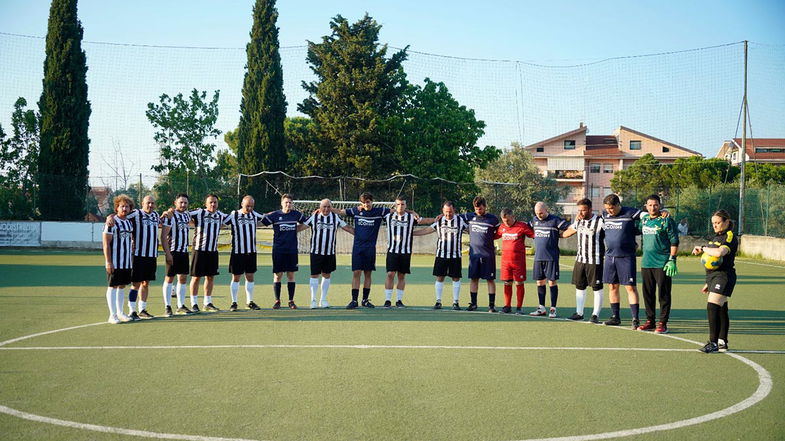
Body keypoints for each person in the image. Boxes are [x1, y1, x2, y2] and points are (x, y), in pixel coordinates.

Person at [105, 195, 161, 320]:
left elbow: (163, 222)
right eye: (148, 203)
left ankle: (142, 309)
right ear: (142, 203)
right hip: (137, 255)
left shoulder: (156, 215)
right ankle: (132, 310)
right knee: (135, 283)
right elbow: (119, 215)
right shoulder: (135, 214)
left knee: (146, 283)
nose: (150, 205)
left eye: (152, 203)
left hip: (151, 255)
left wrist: (169, 212)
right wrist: (109, 216)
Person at [692, 209, 737, 353]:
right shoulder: (715, 237)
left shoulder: (729, 236)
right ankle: (722, 341)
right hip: (713, 276)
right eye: (713, 223)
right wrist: (708, 282)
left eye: (718, 222)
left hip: (724, 276)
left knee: (712, 306)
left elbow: (719, 253)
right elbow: (711, 260)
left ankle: (713, 342)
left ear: (727, 222)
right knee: (722, 309)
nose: (715, 225)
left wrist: (704, 248)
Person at [338, 192, 389, 309]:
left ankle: (365, 300)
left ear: (372, 201)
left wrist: (411, 212)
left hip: (370, 249)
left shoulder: (379, 212)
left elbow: (396, 210)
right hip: (358, 248)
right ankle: (354, 300)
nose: (366, 204)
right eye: (363, 202)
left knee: (368, 274)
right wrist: (323, 209)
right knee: (356, 273)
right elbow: (341, 212)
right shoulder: (356, 211)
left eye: (368, 202)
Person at [413, 201, 467, 310]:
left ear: (454, 210)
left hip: (455, 255)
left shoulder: (460, 221)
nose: (448, 214)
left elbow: (471, 230)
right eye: (446, 212)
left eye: (450, 212)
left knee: (456, 278)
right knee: (440, 277)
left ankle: (455, 302)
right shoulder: (439, 221)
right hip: (441, 254)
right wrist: (411, 233)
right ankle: (438, 301)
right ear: (442, 211)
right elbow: (427, 230)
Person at [600, 194, 642, 329]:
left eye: (611, 208)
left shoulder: (630, 212)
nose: (609, 211)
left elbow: (647, 215)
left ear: (618, 205)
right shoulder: (604, 215)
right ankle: (615, 317)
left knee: (630, 287)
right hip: (610, 257)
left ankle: (635, 318)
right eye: (607, 208)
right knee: (612, 287)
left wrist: (663, 212)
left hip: (626, 257)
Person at [639, 194, 679, 334]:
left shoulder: (666, 220)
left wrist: (672, 259)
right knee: (648, 294)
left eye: (655, 205)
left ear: (660, 205)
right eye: (650, 205)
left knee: (664, 294)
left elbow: (674, 241)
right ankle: (650, 321)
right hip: (646, 263)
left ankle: (662, 323)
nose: (652, 207)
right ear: (646, 206)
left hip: (662, 263)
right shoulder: (644, 220)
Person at [304, 199, 354, 308]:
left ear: (331, 207)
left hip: (329, 252)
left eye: (328, 207)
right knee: (314, 275)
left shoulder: (335, 217)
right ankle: (313, 300)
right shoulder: (314, 217)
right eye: (324, 207)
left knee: (326, 275)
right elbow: (302, 226)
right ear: (320, 207)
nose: (326, 209)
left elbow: (348, 228)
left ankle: (323, 299)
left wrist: (362, 235)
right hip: (316, 252)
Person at [561, 198, 605, 323]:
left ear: (590, 209)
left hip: (595, 260)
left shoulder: (600, 221)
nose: (580, 213)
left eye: (583, 210)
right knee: (580, 286)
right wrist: (557, 233)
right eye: (579, 210)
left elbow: (613, 234)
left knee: (597, 287)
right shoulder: (579, 221)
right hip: (580, 259)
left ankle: (595, 314)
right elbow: (567, 233)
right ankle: (579, 312)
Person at [261, 194, 309, 309]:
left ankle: (291, 301)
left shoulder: (296, 214)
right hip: (278, 250)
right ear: (282, 203)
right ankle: (277, 300)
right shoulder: (275, 215)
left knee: (291, 275)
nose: (288, 204)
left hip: (292, 250)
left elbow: (308, 223)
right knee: (278, 276)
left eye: (290, 202)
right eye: (286, 202)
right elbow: (261, 223)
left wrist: (296, 229)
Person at [222, 195, 266, 311]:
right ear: (242, 204)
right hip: (238, 252)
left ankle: (249, 301)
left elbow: (267, 218)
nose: (249, 209)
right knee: (236, 277)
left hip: (251, 251)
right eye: (247, 206)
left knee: (250, 276)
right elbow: (222, 222)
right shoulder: (234, 215)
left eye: (251, 206)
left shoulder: (254, 215)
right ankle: (234, 302)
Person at [528, 201, 569, 318]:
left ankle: (553, 308)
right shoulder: (534, 220)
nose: (539, 215)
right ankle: (541, 308)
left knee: (552, 282)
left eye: (541, 213)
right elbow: (527, 227)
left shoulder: (555, 220)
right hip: (538, 257)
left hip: (551, 257)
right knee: (540, 282)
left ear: (547, 210)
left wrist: (562, 235)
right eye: (536, 213)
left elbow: (569, 227)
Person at [188, 194, 227, 313]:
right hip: (199, 250)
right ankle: (194, 303)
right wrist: (169, 211)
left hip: (212, 251)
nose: (213, 204)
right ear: (206, 204)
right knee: (196, 277)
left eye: (215, 202)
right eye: (210, 202)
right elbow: (183, 214)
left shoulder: (220, 215)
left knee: (210, 277)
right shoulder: (199, 213)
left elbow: (236, 218)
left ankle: (207, 302)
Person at [460, 197, 500, 312]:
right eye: (477, 209)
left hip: (488, 255)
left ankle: (491, 305)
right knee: (473, 279)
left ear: (485, 207)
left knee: (490, 280)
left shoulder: (493, 219)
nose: (479, 211)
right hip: (474, 255)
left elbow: (498, 233)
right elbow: (452, 217)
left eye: (481, 209)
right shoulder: (469, 216)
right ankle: (473, 304)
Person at [494, 208, 534, 314]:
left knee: (519, 283)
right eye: (503, 220)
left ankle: (519, 307)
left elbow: (534, 235)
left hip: (518, 262)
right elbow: (493, 236)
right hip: (505, 262)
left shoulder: (522, 226)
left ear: (513, 217)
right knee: (507, 283)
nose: (506, 222)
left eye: (508, 220)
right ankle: (507, 306)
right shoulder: (502, 227)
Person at [382, 197, 420, 308]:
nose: (400, 206)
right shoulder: (388, 217)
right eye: (398, 204)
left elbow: (423, 220)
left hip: (405, 251)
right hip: (392, 250)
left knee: (401, 276)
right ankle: (387, 300)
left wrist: (438, 218)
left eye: (402, 204)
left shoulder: (411, 218)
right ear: (395, 206)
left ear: (406, 206)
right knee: (390, 274)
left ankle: (399, 300)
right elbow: (374, 213)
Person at [102, 194, 135, 324]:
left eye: (127, 206)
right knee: (112, 286)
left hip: (126, 261)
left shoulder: (128, 223)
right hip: (114, 261)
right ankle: (112, 315)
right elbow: (106, 243)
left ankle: (121, 313)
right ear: (117, 208)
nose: (125, 209)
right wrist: (108, 261)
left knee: (122, 286)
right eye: (122, 206)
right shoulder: (111, 222)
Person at [160, 193, 193, 316]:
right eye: (181, 202)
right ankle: (167, 306)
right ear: (175, 203)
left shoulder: (187, 215)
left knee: (183, 278)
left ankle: (181, 305)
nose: (183, 205)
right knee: (169, 278)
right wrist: (167, 254)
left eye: (185, 203)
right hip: (173, 251)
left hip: (184, 251)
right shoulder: (170, 216)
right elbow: (163, 236)